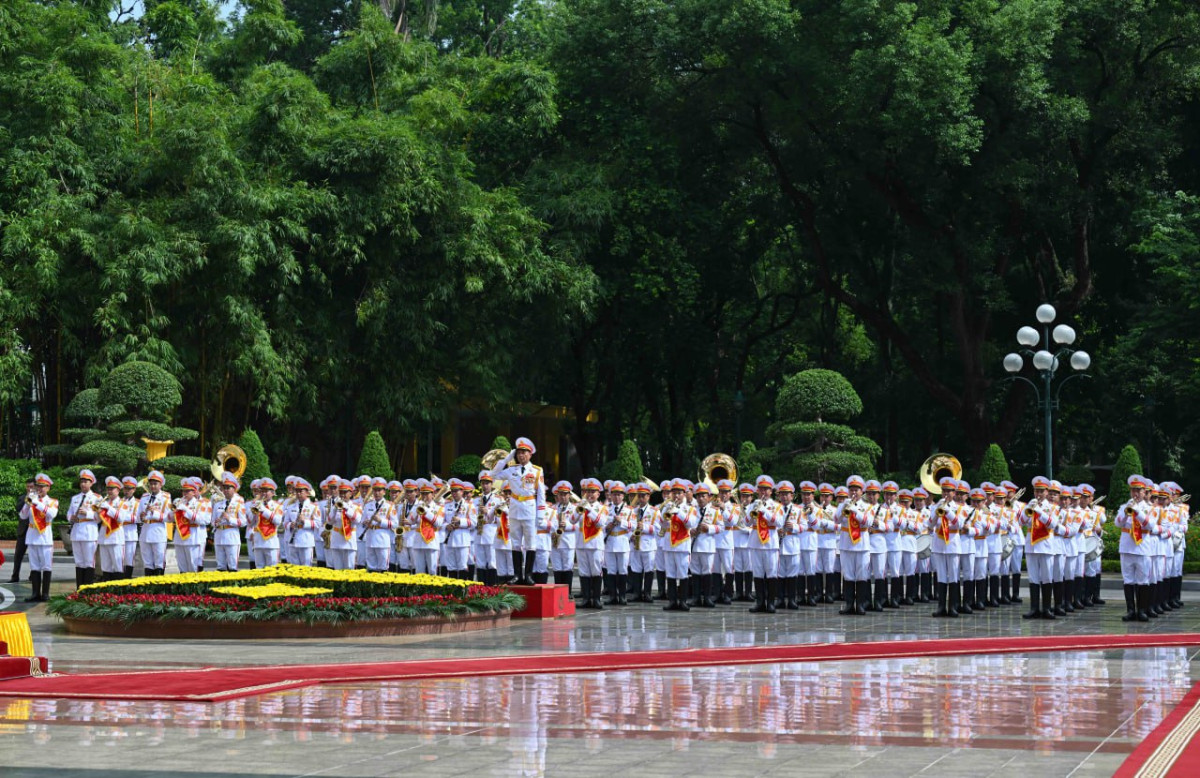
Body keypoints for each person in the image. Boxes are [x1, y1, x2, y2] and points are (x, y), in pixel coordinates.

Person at [490, 437, 546, 586]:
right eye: (519, 453)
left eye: (524, 452)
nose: (521, 455)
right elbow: (493, 475)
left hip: (529, 508)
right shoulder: (511, 470)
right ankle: (516, 575)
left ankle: (528, 575)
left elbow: (541, 494)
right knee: (515, 543)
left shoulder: (536, 471)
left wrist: (541, 514)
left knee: (530, 544)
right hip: (515, 509)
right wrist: (506, 459)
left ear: (530, 454)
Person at [746, 475, 782, 614]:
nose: (763, 492)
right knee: (758, 573)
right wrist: (754, 509)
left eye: (766, 490)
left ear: (771, 491)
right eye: (761, 489)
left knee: (772, 573)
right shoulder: (752, 505)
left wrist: (764, 511)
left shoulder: (776, 506)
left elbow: (778, 522)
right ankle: (760, 602)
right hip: (756, 542)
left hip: (771, 542)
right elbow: (746, 522)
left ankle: (771, 603)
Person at [659, 479, 697, 612]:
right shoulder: (666, 507)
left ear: (684, 494)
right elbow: (662, 525)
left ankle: (683, 601)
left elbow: (690, 524)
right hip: (669, 544)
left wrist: (678, 512)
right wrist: (665, 516)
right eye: (674, 493)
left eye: (679, 493)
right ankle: (672, 601)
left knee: (682, 573)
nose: (676, 496)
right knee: (670, 573)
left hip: (682, 544)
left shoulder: (690, 508)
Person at [836, 476, 871, 616]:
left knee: (862, 574)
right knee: (848, 575)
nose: (853, 492)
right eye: (851, 489)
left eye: (856, 490)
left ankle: (861, 604)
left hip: (862, 543)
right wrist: (845, 506)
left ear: (862, 492)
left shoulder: (867, 506)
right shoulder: (842, 504)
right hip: (846, 543)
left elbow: (868, 522)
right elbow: (837, 519)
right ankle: (849, 604)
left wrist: (855, 511)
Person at [930, 477, 964, 618]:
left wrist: (948, 511)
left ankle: (953, 607)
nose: (946, 494)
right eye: (944, 490)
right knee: (942, 576)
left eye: (949, 491)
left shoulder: (959, 508)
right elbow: (930, 524)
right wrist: (938, 512)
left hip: (953, 544)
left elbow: (959, 524)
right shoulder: (935, 506)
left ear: (954, 493)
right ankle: (941, 606)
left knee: (954, 576)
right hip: (939, 544)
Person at [22, 473, 58, 602]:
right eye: (38, 486)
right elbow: (22, 516)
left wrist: (36, 502)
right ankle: (35, 593)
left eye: (43, 486)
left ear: (48, 488)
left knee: (46, 566)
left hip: (45, 537)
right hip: (32, 537)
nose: (40, 488)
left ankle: (46, 594)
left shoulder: (52, 501)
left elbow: (51, 514)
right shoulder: (32, 499)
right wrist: (28, 502)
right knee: (34, 566)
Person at [576, 478, 609, 609]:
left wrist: (589, 509)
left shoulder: (602, 508)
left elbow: (601, 523)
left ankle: (596, 598)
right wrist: (579, 508)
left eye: (593, 492)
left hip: (595, 543)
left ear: (598, 494)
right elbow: (572, 520)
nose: (589, 494)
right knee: (584, 571)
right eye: (588, 491)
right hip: (581, 543)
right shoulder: (581, 506)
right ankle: (586, 598)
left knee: (596, 570)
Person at [67, 469, 101, 588]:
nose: (83, 484)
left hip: (89, 533)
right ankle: (79, 589)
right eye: (81, 481)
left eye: (86, 481)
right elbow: (69, 513)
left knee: (89, 562)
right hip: (76, 532)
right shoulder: (75, 498)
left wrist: (88, 513)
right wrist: (71, 517)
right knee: (79, 562)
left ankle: (88, 589)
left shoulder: (97, 498)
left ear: (91, 483)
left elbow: (99, 517)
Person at [212, 472, 248, 572]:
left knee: (232, 566)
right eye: (224, 488)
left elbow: (244, 522)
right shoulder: (218, 504)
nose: (226, 490)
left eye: (229, 488)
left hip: (231, 537)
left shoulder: (239, 504)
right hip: (219, 537)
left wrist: (229, 519)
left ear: (234, 489)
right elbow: (212, 521)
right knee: (220, 567)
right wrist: (215, 523)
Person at [137, 471, 170, 576]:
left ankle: (158, 589)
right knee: (147, 562)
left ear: (161, 484)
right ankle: (148, 589)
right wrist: (141, 516)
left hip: (158, 532)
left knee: (159, 561)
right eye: (151, 484)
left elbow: (168, 517)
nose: (153, 486)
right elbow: (138, 516)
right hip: (145, 532)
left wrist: (154, 512)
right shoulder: (145, 497)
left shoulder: (166, 497)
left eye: (155, 484)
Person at [442, 480, 477, 579]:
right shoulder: (447, 505)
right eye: (452, 491)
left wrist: (460, 521)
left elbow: (474, 523)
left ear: (462, 492)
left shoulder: (469, 506)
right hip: (449, 539)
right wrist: (446, 526)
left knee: (462, 566)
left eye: (456, 491)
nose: (454, 493)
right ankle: (452, 592)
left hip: (462, 540)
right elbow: (443, 521)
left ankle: (462, 591)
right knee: (451, 566)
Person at [407, 480, 443, 575]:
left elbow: (438, 523)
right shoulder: (417, 506)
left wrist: (425, 511)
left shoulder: (438, 508)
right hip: (419, 540)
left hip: (431, 540)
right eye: (422, 494)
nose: (424, 496)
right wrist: (416, 510)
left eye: (427, 494)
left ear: (433, 494)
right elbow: (410, 521)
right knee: (419, 570)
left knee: (432, 570)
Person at [627, 484, 656, 602]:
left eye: (643, 496)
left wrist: (644, 527)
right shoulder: (632, 511)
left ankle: (647, 593)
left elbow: (658, 529)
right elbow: (627, 527)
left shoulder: (654, 512)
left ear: (648, 496)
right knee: (636, 569)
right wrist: (631, 536)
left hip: (648, 544)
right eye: (639, 496)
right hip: (635, 544)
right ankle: (637, 593)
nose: (641, 498)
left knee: (648, 569)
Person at [549, 481, 578, 593]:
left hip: (568, 541)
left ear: (569, 495)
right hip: (555, 541)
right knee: (556, 567)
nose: (563, 496)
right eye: (560, 494)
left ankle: (568, 592)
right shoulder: (552, 508)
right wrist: (556, 527)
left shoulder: (575, 509)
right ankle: (558, 593)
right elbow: (548, 523)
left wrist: (568, 525)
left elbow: (578, 526)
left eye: (565, 494)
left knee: (567, 567)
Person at [96, 476, 126, 582]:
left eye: (112, 489)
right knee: (106, 566)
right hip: (104, 537)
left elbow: (121, 518)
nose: (109, 491)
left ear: (118, 490)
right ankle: (107, 592)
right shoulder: (104, 503)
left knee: (118, 566)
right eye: (108, 489)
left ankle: (118, 593)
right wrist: (97, 512)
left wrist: (109, 508)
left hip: (116, 537)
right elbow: (97, 521)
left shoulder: (122, 503)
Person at [248, 477, 283, 568]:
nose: (264, 493)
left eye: (266, 491)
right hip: (258, 541)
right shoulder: (256, 504)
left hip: (271, 542)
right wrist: (253, 512)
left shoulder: (277, 506)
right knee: (259, 568)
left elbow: (278, 521)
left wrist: (263, 510)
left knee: (272, 568)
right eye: (262, 491)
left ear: (272, 493)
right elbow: (251, 523)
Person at [8, 477, 36, 584]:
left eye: (32, 487)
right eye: (28, 487)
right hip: (23, 531)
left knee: (34, 555)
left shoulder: (39, 499)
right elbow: (18, 509)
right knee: (18, 555)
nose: (29, 489)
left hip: (34, 531)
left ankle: (33, 576)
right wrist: (27, 500)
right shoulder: (22, 498)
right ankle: (15, 576)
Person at [120, 476, 140, 579]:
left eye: (130, 489)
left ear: (134, 490)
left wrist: (121, 517)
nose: (127, 491)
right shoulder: (118, 501)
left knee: (129, 559)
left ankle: (127, 580)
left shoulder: (137, 503)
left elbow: (138, 518)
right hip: (118, 533)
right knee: (119, 559)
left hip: (130, 534)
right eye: (125, 488)